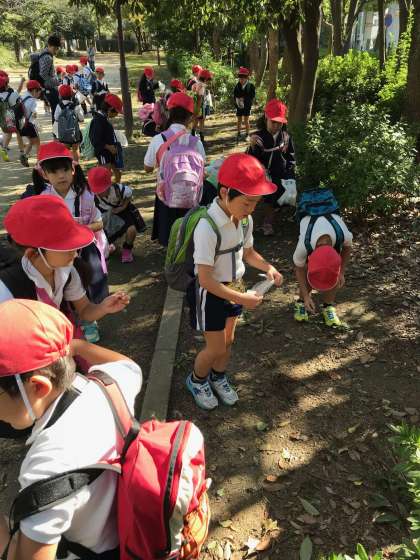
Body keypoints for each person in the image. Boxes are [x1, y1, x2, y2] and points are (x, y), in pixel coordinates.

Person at [0, 298, 141, 559]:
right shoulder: (110, 384)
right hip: (133, 527)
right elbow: (129, 365)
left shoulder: (46, 465)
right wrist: (77, 345)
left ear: (38, 387)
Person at [185, 153, 283, 410]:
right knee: (215, 347)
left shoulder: (245, 220)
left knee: (228, 341)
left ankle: (218, 377)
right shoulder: (207, 227)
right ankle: (197, 380)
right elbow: (205, 279)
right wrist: (241, 298)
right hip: (211, 293)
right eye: (247, 203)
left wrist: (268, 267)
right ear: (225, 193)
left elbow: (248, 253)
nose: (251, 210)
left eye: (255, 204)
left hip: (235, 288)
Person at [31, 141, 110, 342]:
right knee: (64, 287)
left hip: (84, 249)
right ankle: (67, 323)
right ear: (44, 174)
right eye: (54, 171)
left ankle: (89, 321)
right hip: (57, 254)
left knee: (89, 282)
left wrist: (79, 229)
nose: (61, 175)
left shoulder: (85, 196)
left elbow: (99, 223)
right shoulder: (43, 199)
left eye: (65, 169)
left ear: (73, 170)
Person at [144, 91, 206, 247]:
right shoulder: (196, 142)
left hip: (166, 196)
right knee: (188, 233)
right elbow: (202, 169)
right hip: (191, 196)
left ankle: (171, 255)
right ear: (190, 117)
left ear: (169, 113)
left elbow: (147, 168)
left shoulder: (159, 139)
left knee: (169, 236)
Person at [293, 211, 353, 327]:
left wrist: (341, 272)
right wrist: (306, 296)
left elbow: (347, 247)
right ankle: (301, 302)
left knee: (333, 274)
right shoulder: (304, 245)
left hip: (331, 225)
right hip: (309, 220)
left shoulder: (343, 234)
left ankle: (328, 306)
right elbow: (299, 269)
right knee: (309, 273)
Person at [247, 99, 296, 236]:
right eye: (273, 122)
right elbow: (250, 159)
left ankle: (271, 218)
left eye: (279, 123)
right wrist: (252, 148)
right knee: (267, 195)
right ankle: (262, 223)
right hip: (262, 175)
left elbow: (291, 157)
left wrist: (290, 173)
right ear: (266, 118)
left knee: (281, 195)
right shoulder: (258, 138)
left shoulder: (285, 137)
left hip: (281, 174)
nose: (276, 126)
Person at [88, 167, 145, 263]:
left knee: (131, 230)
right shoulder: (92, 196)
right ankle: (109, 246)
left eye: (102, 190)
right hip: (105, 213)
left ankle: (127, 249)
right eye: (97, 191)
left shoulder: (118, 189)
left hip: (121, 211)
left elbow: (129, 193)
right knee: (103, 232)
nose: (99, 193)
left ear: (109, 185)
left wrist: (123, 206)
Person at [90, 93, 124, 183]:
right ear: (110, 109)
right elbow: (95, 140)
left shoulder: (104, 119)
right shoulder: (97, 121)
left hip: (111, 152)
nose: (117, 114)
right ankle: (104, 189)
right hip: (103, 153)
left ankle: (116, 187)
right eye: (116, 112)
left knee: (118, 173)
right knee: (106, 174)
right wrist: (108, 147)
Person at [54, 84, 84, 162]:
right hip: (74, 132)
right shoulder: (76, 105)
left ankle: (67, 165)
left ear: (60, 95)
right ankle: (76, 165)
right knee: (75, 150)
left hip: (63, 133)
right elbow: (81, 118)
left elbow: (56, 118)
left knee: (65, 150)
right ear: (71, 94)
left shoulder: (59, 106)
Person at [0, 72, 25, 162]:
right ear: (6, 85)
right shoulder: (11, 94)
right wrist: (22, 81)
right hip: (13, 118)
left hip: (3, 120)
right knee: (19, 134)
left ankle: (4, 149)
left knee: (9, 134)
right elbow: (19, 91)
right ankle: (22, 153)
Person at [37, 34, 62, 123]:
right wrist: (57, 82)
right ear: (50, 46)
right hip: (49, 88)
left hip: (48, 87)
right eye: (55, 48)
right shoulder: (47, 57)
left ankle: (56, 129)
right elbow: (43, 75)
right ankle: (56, 130)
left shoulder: (43, 53)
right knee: (56, 112)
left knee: (55, 111)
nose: (56, 50)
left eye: (57, 48)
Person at [18, 80, 43, 167]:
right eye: (39, 91)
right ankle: (39, 162)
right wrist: (37, 123)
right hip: (29, 124)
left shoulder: (23, 95)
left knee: (31, 141)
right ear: (34, 90)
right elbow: (34, 114)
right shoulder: (32, 101)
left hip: (21, 124)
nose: (39, 93)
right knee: (37, 143)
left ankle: (24, 155)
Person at [233, 67, 255, 142]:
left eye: (243, 78)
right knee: (239, 119)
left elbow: (252, 96)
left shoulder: (250, 86)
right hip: (239, 106)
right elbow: (235, 95)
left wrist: (244, 98)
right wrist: (237, 101)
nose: (241, 80)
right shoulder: (237, 86)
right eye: (240, 78)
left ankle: (247, 134)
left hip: (247, 106)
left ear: (246, 78)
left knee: (246, 120)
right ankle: (238, 133)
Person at [191, 68, 212, 143]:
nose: (209, 81)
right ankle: (201, 138)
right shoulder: (202, 86)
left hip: (195, 106)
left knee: (195, 121)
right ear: (205, 79)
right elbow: (199, 97)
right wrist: (198, 109)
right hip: (200, 106)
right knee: (202, 122)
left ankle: (192, 136)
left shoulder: (196, 84)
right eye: (208, 79)